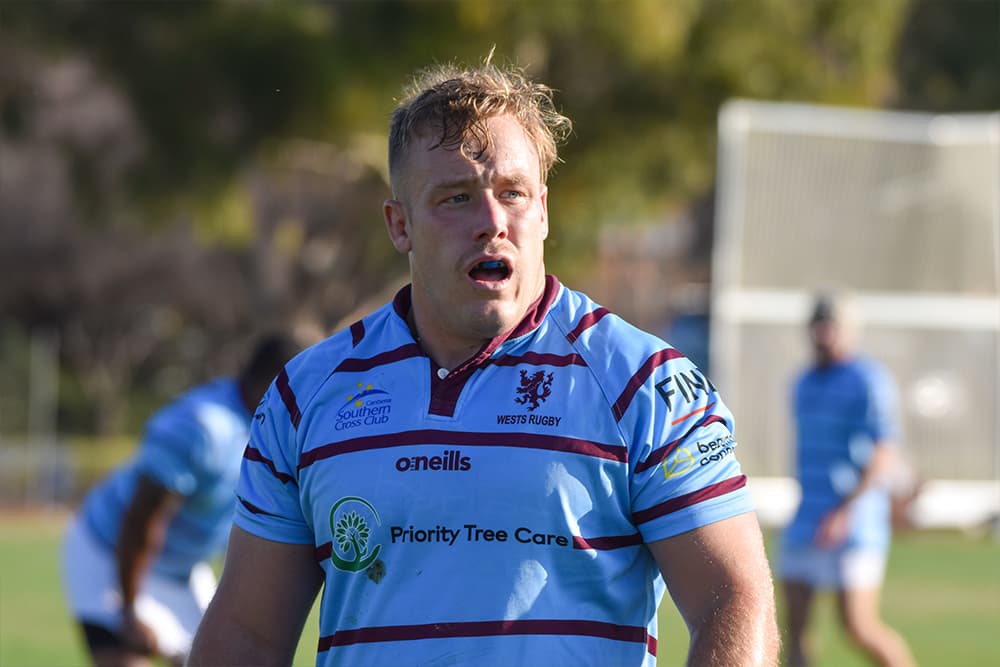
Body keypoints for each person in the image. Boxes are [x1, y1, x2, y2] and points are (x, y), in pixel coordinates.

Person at [189, 57, 779, 667]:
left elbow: (734, 602)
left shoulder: (645, 384)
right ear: (400, 226)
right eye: (456, 198)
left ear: (543, 211)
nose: (493, 222)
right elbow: (246, 635)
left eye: (513, 194)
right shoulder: (305, 396)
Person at [61, 333, 300, 667]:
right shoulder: (203, 427)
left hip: (182, 567)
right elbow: (141, 519)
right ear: (278, 379)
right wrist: (130, 610)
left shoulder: (278, 426)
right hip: (110, 554)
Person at [779, 292, 916, 667]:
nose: (825, 333)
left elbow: (885, 451)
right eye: (819, 324)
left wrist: (847, 510)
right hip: (808, 515)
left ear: (850, 331)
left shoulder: (867, 379)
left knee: (858, 626)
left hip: (855, 519)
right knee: (792, 630)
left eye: (833, 325)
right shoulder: (803, 382)